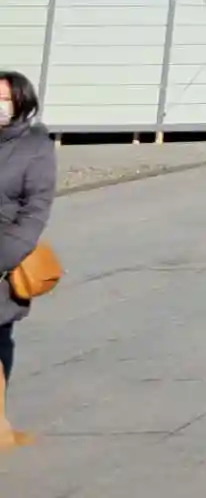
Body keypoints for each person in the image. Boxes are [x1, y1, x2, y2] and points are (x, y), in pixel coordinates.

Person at [0, 71, 55, 451]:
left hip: (3, 257)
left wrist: (6, 255)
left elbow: (36, 209)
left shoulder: (35, 146)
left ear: (21, 101)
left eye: (3, 98)